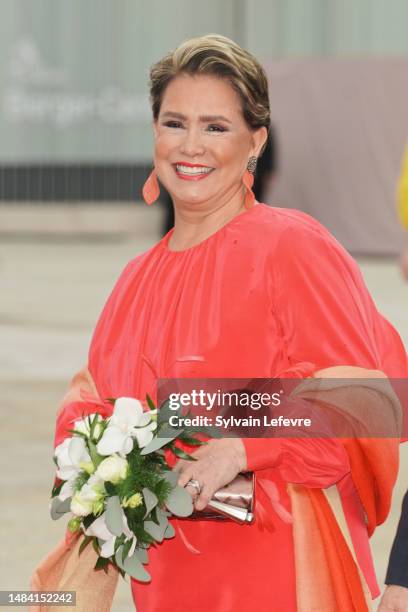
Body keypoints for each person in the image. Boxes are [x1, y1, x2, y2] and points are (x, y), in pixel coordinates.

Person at [45, 35, 408, 611]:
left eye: (215, 127)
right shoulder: (135, 279)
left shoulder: (292, 246)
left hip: (277, 575)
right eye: (174, 123)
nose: (191, 146)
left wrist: (240, 446)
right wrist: (93, 460)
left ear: (256, 141)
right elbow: (93, 402)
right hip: (164, 579)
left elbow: (364, 403)